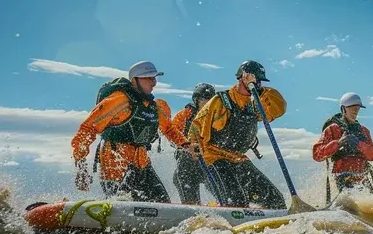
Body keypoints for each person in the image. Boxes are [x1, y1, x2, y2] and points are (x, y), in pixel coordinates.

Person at [71, 61, 195, 203]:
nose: (153, 82)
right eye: (149, 78)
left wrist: (186, 145)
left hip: (142, 161)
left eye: (154, 78)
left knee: (163, 203)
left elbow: (168, 129)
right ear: (135, 80)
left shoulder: (154, 106)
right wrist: (81, 164)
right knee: (120, 203)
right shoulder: (119, 100)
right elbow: (88, 128)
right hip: (115, 160)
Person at [188, 60, 287, 209]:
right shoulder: (220, 100)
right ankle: (214, 211)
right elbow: (197, 125)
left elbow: (279, 109)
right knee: (237, 202)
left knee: (276, 201)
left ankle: (254, 219)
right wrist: (193, 143)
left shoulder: (255, 104)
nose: (258, 83)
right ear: (242, 77)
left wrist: (260, 91)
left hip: (238, 159)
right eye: (256, 80)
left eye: (259, 81)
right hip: (215, 159)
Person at [312, 92, 373, 200]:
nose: (355, 112)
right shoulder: (332, 129)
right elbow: (317, 154)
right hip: (342, 177)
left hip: (362, 177)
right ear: (343, 109)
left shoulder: (363, 131)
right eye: (352, 109)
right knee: (351, 205)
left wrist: (359, 144)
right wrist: (338, 144)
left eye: (357, 109)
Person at [171, 83, 216, 204]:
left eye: (210, 100)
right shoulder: (185, 115)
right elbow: (172, 134)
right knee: (192, 201)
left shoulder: (217, 117)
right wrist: (187, 145)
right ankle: (192, 208)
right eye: (203, 100)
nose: (206, 103)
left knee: (223, 187)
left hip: (207, 166)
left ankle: (229, 206)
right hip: (187, 168)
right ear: (196, 100)